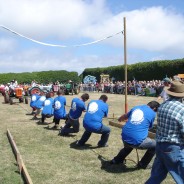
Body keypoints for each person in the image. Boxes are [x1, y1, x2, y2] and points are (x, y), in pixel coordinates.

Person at [146, 81, 184, 184]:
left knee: (156, 176)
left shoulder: (162, 106)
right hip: (174, 147)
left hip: (160, 145)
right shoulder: (181, 109)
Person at [110, 101, 160, 169]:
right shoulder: (152, 113)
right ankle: (143, 164)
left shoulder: (136, 107)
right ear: (154, 108)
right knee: (156, 145)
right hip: (135, 139)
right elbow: (149, 126)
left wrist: (120, 119)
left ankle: (116, 160)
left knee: (128, 146)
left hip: (124, 136)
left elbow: (124, 116)